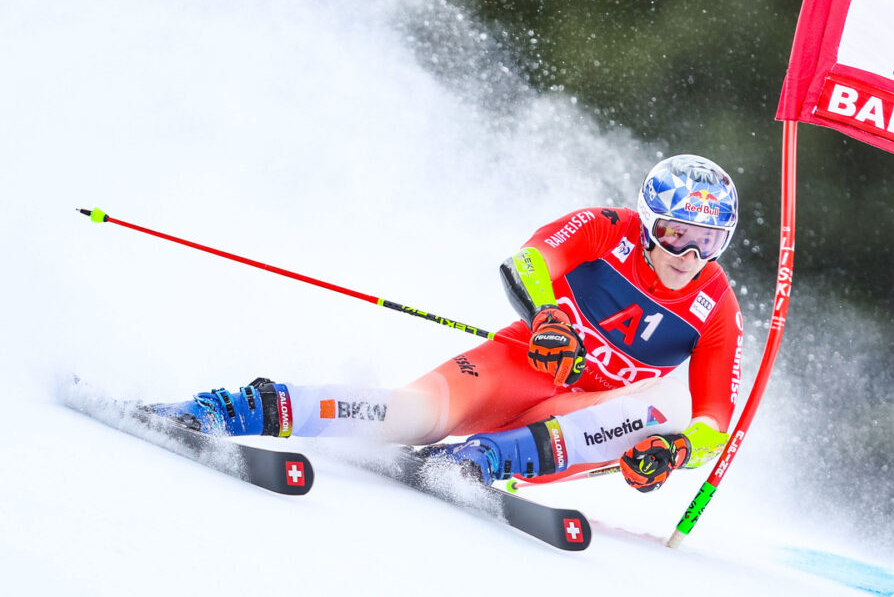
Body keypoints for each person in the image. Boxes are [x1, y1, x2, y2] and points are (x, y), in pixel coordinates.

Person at [153, 154, 743, 493]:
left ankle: (485, 460)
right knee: (409, 416)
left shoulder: (716, 307)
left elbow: (715, 420)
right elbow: (528, 262)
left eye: (709, 243)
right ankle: (240, 408)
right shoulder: (602, 227)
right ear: (647, 223)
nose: (688, 258)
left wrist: (675, 451)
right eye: (675, 235)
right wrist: (549, 318)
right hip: (521, 366)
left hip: (576, 420)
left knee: (653, 415)